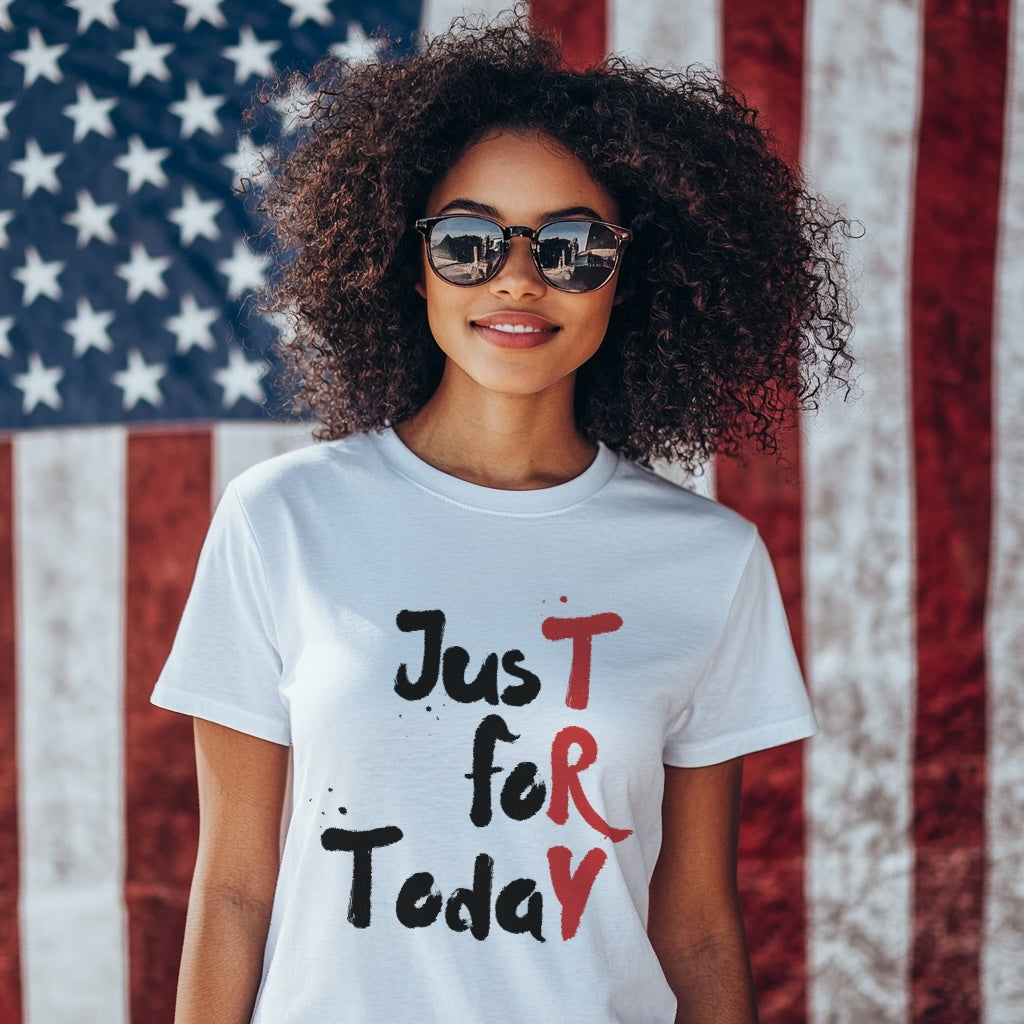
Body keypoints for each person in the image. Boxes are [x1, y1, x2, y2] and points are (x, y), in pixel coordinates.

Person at [152, 11, 853, 1024]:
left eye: (571, 247)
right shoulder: (281, 520)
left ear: (628, 276)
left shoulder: (708, 563)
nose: (518, 277)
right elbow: (231, 891)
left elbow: (696, 926)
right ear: (409, 258)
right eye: (471, 241)